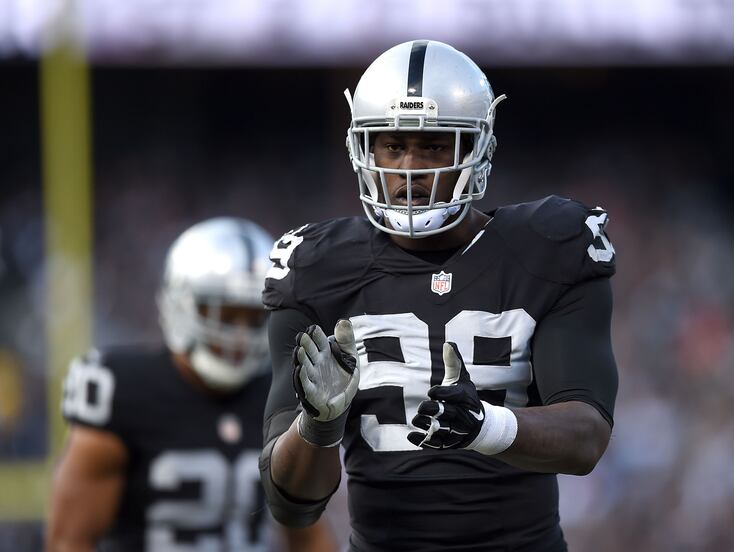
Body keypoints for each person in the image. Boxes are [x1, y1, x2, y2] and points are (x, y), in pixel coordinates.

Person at [260, 40, 618, 551]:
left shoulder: (549, 247)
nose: (410, 169)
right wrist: (318, 426)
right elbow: (291, 503)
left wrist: (484, 426)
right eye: (393, 145)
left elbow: (585, 438)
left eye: (433, 147)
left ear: (477, 151)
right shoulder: (313, 268)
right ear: (364, 151)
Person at [47, 218, 336, 552]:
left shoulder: (282, 393)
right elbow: (70, 540)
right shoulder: (124, 391)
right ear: (180, 303)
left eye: (254, 317)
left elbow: (308, 535)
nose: (240, 337)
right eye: (225, 315)